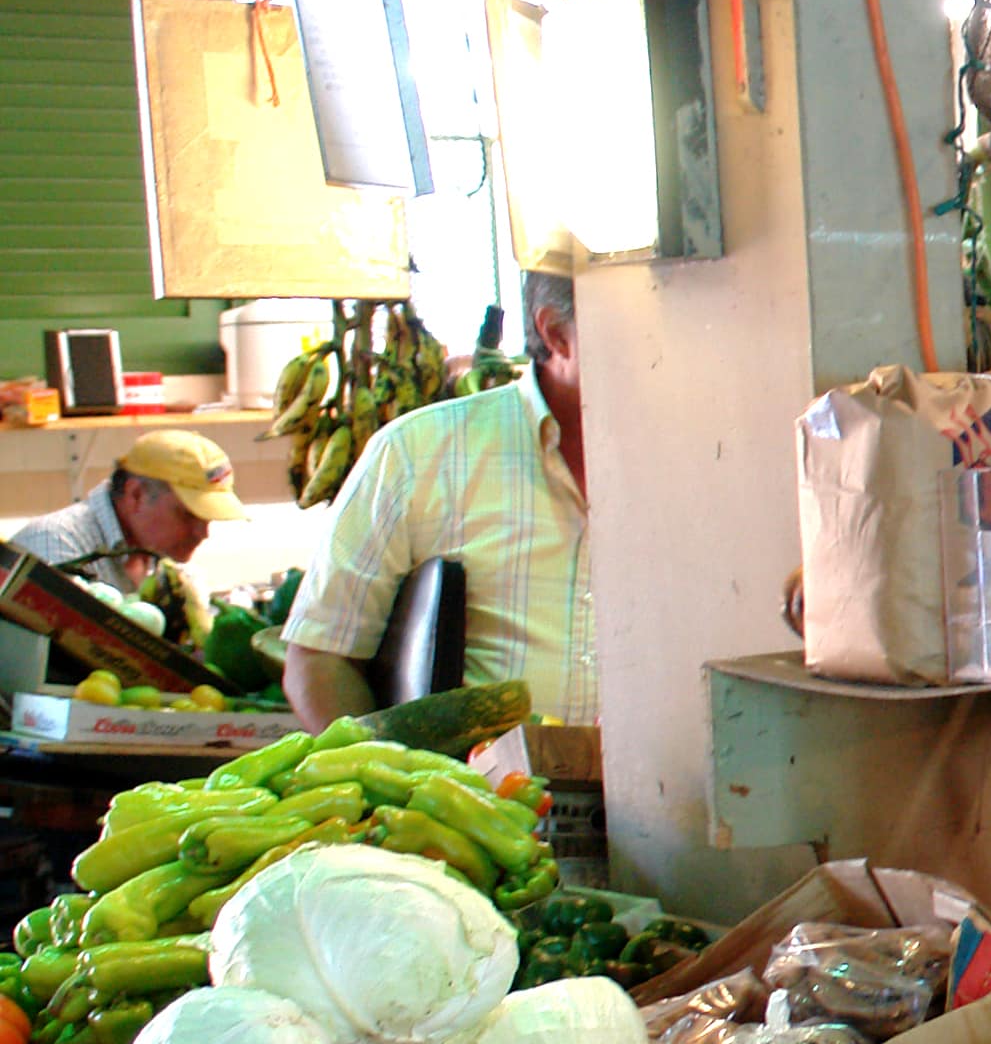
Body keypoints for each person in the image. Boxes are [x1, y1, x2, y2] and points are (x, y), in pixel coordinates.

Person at [285, 269, 592, 725]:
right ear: (556, 334)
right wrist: (392, 777)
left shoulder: (713, 458)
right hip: (472, 791)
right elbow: (321, 657)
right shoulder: (418, 452)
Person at [6, 431, 245, 588]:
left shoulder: (156, 557)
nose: (202, 533)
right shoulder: (55, 545)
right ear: (136, 495)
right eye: (188, 515)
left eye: (208, 518)